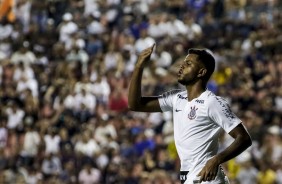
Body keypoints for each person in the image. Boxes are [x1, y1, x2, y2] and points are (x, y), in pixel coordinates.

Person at [128, 44, 252, 184]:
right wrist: (139, 67)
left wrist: (216, 160)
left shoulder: (212, 102)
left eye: (188, 64)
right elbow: (135, 104)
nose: (182, 67)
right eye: (183, 63)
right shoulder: (176, 98)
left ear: (201, 72)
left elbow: (244, 138)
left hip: (208, 179)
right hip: (189, 177)